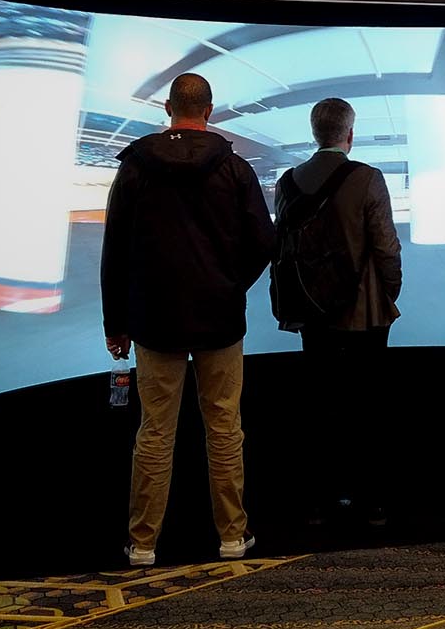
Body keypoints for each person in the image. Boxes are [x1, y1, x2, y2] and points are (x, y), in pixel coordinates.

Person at [102, 73, 276, 567]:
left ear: (167, 108)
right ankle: (232, 536)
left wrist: (116, 321)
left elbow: (115, 250)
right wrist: (229, 282)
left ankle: (142, 543)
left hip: (154, 322)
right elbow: (264, 242)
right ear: (210, 110)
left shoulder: (135, 167)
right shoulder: (236, 169)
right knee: (224, 426)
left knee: (155, 430)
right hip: (220, 319)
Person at [272, 98, 403, 525]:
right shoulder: (368, 178)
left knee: (320, 404)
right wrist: (389, 292)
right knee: (368, 406)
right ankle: (371, 503)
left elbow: (281, 248)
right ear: (350, 134)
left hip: (312, 313)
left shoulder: (288, 182)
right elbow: (386, 248)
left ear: (315, 133)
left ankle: (320, 502)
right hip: (364, 313)